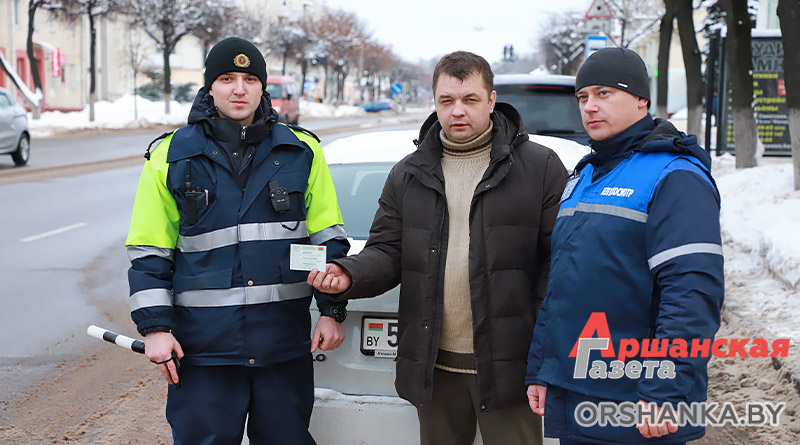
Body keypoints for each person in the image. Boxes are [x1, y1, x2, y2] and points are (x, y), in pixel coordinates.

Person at [308, 51, 567, 445]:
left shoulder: (540, 167)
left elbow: (558, 262)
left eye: (470, 99)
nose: (457, 111)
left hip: (509, 366)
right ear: (435, 102)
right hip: (435, 368)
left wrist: (540, 344)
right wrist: (349, 273)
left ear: (491, 101)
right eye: (447, 100)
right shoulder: (408, 173)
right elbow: (387, 251)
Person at [125, 37, 349, 444]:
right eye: (227, 78)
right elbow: (150, 252)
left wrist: (331, 310)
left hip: (282, 349)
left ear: (263, 87)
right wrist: (155, 327)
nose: (239, 89)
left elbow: (326, 240)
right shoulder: (170, 156)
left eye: (250, 79)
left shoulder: (302, 151)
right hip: (203, 353)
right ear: (210, 86)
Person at [525, 47, 724, 444]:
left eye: (604, 93)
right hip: (576, 390)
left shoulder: (675, 175)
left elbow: (691, 295)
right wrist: (542, 369)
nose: (590, 107)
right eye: (583, 96)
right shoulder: (585, 175)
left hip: (638, 400)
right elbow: (563, 287)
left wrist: (664, 390)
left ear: (641, 100)